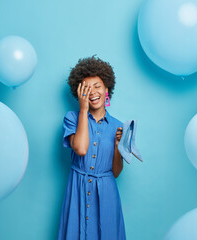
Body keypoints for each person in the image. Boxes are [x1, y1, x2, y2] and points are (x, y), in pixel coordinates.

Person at [58, 56, 126, 240]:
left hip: (106, 192)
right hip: (77, 188)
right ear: (79, 93)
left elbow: (116, 172)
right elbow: (80, 149)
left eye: (97, 86)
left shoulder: (118, 126)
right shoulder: (72, 118)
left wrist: (118, 146)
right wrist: (83, 110)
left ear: (107, 89)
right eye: (86, 88)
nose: (93, 92)